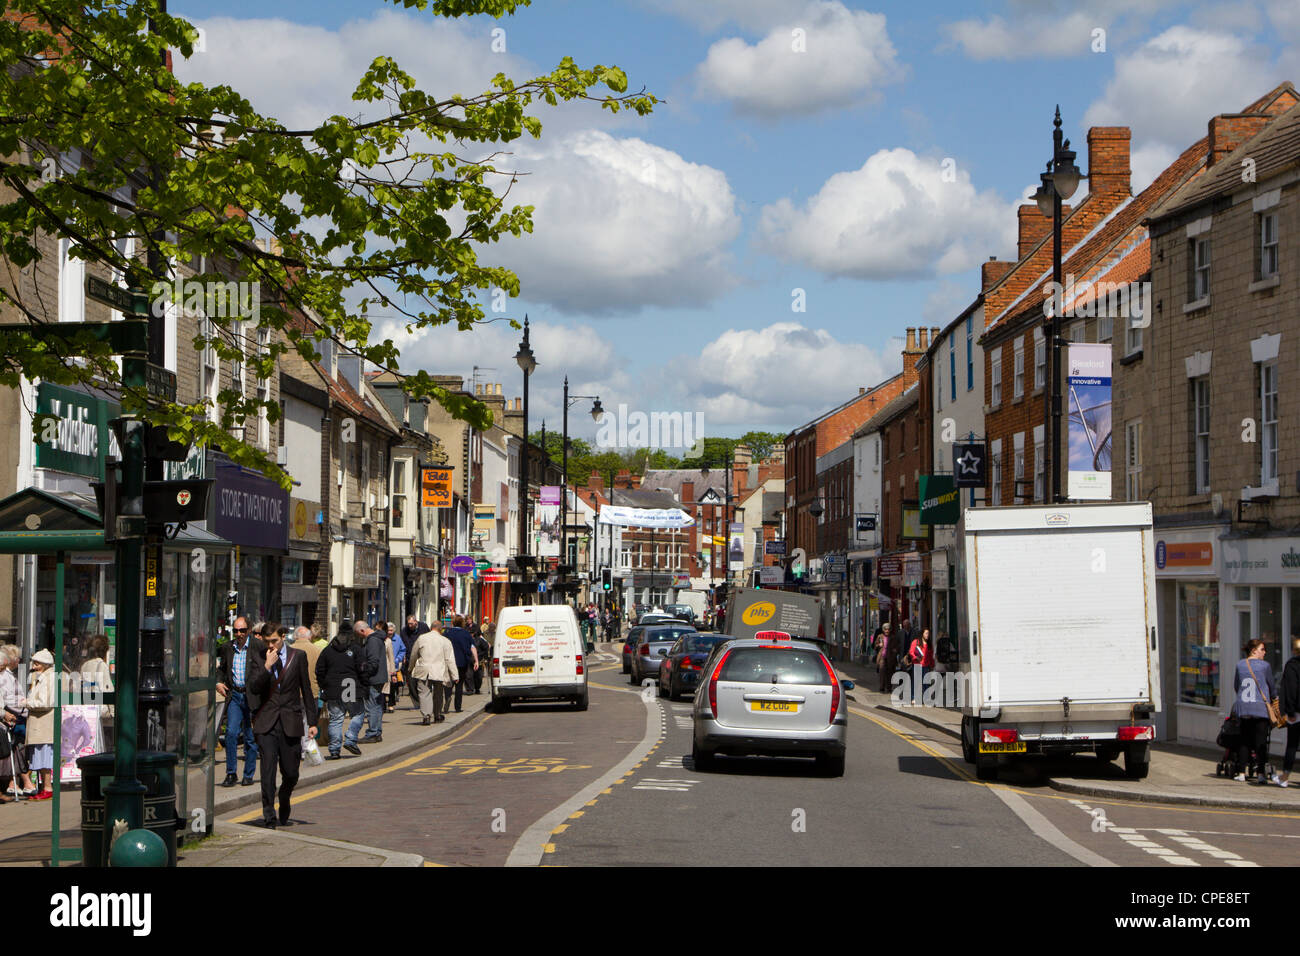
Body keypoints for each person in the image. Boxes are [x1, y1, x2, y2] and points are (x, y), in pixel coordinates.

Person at [247, 623, 318, 828]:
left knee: (291, 772)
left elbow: (306, 687)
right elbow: (253, 687)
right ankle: (269, 815)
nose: (271, 646)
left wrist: (312, 722)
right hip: (266, 723)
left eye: (274, 641)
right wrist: (267, 666)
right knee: (268, 770)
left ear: (283, 637)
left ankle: (284, 797)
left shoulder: (298, 656)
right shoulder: (259, 657)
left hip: (291, 721)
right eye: (267, 641)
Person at [215, 616, 263, 787]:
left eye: (242, 630)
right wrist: (219, 682)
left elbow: (269, 667)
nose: (239, 633)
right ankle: (231, 773)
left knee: (250, 737)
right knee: (230, 734)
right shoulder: (228, 648)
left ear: (249, 630)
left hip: (251, 697)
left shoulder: (258, 646)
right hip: (235, 695)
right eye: (236, 630)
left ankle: (248, 774)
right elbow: (221, 669)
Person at [316, 622, 363, 759]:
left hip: (333, 689)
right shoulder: (355, 649)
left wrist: (324, 685)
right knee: (358, 713)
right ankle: (350, 739)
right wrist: (363, 686)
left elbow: (319, 670)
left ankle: (335, 749)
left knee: (336, 719)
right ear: (351, 636)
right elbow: (362, 669)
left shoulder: (327, 651)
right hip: (350, 687)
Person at [1233, 638, 1276, 783]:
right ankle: (1261, 774)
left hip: (1244, 707)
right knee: (1260, 743)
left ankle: (1241, 772)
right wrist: (1274, 699)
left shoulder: (1240, 665)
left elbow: (1236, 685)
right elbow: (1271, 686)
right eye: (1262, 649)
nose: (1265, 652)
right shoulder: (1265, 666)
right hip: (1260, 708)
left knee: (1244, 741)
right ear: (1254, 650)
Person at [407, 621, 458, 725]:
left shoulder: (422, 638)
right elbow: (450, 660)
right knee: (438, 694)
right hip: (439, 671)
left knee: (424, 693)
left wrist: (411, 668)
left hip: (423, 670)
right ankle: (437, 714)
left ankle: (426, 716)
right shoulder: (445, 641)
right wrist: (455, 675)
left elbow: (414, 654)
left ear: (431, 628)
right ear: (440, 630)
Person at [25, 648, 56, 800]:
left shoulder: (48, 679)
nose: (34, 666)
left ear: (44, 664)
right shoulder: (42, 677)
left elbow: (45, 702)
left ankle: (48, 788)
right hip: (40, 725)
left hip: (43, 724)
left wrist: (27, 703)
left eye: (37, 664)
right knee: (40, 758)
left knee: (44, 758)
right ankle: (44, 787)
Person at [356, 620, 386, 742]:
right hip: (379, 677)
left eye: (358, 634)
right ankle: (377, 732)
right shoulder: (377, 639)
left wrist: (365, 675)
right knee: (377, 706)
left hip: (373, 678)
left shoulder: (372, 641)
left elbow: (373, 662)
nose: (358, 636)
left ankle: (373, 733)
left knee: (372, 706)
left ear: (362, 630)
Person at [1276, 636, 1300, 787]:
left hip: (1296, 712)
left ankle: (1285, 777)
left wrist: (1289, 711)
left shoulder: (1292, 665)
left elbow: (1291, 689)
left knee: (1292, 744)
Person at [444, 616, 478, 713]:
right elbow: (473, 647)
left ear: (453, 623)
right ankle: (457, 707)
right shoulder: (466, 634)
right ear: (462, 623)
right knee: (459, 685)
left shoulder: (447, 633)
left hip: (449, 662)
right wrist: (476, 660)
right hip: (462, 662)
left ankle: (447, 698)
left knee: (448, 683)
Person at [908, 628, 936, 705]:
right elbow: (911, 652)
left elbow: (930, 656)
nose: (928, 635)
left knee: (926, 683)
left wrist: (932, 665)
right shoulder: (916, 642)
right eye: (926, 633)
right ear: (922, 634)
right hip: (917, 664)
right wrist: (915, 657)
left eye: (928, 634)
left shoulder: (929, 644)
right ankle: (914, 698)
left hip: (926, 665)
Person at [471, 627, 491, 695]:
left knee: (478, 675)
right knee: (470, 675)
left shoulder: (480, 640)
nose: (471, 634)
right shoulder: (467, 639)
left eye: (472, 633)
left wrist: (484, 656)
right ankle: (471, 688)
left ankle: (477, 688)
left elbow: (486, 647)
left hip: (479, 659)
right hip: (470, 660)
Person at [875, 622, 894, 693]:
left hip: (890, 657)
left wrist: (895, 650)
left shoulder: (893, 637)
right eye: (885, 629)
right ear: (883, 630)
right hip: (882, 657)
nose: (887, 631)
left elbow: (897, 646)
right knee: (882, 672)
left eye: (888, 629)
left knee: (890, 673)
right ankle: (882, 687)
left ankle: (889, 688)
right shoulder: (880, 636)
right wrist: (878, 645)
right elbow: (875, 645)